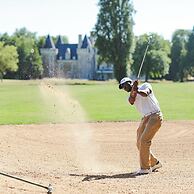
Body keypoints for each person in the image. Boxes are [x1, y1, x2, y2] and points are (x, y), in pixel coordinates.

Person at [119, 77, 163, 175]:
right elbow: (131, 100)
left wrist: (137, 88)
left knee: (144, 141)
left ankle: (145, 168)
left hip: (155, 116)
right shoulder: (131, 95)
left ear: (129, 83)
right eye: (122, 87)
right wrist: (134, 90)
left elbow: (145, 93)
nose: (124, 88)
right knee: (139, 143)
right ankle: (154, 163)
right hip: (145, 118)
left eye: (125, 85)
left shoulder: (146, 85)